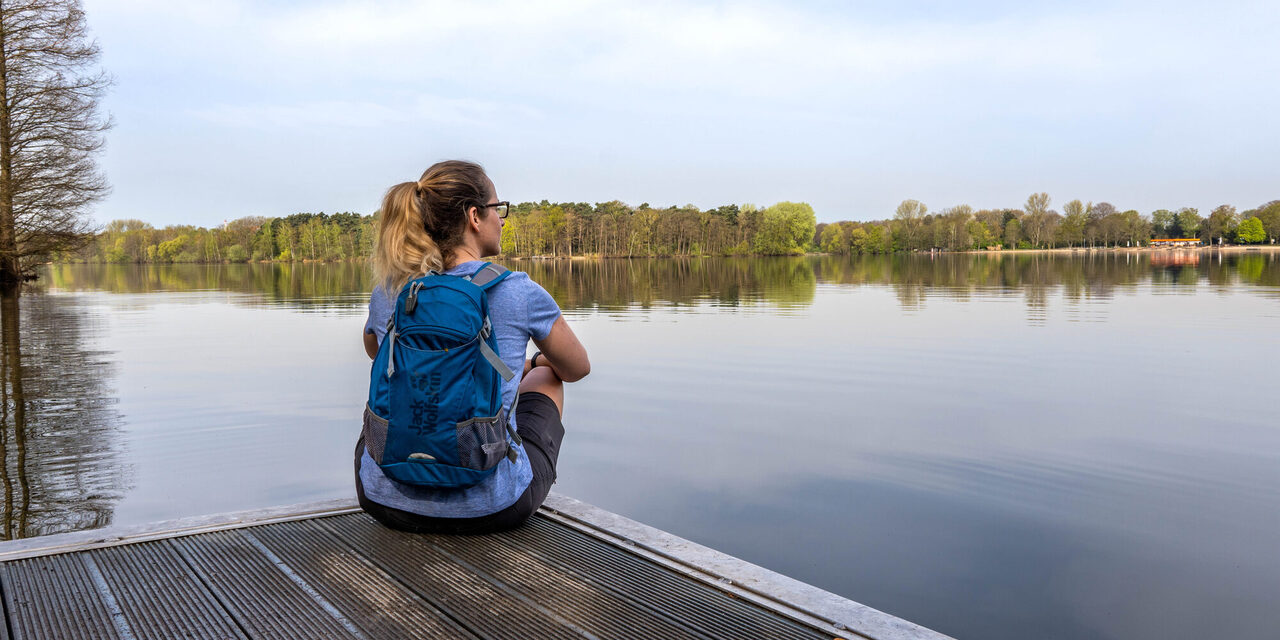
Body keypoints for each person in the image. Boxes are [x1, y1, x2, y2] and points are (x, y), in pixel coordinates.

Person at [356, 160, 589, 534]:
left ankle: (408, 483)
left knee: (396, 396)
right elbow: (577, 368)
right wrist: (535, 363)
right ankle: (504, 476)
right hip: (493, 509)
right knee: (549, 378)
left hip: (383, 501)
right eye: (499, 208)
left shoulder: (391, 291)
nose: (503, 219)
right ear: (474, 216)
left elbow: (375, 352)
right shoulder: (517, 290)